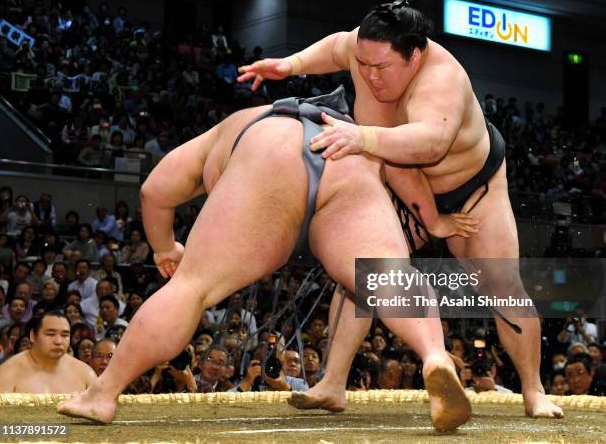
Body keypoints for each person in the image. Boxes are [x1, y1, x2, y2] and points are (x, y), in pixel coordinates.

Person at [58, 88, 473, 430]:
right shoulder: (356, 129)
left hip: (270, 156)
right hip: (350, 161)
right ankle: (433, 353)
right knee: (385, 276)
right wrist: (434, 222)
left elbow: (155, 190)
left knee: (191, 286)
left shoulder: (235, 124)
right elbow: (410, 180)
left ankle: (103, 393)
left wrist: (165, 247)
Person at [237, 0, 562, 418]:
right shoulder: (366, 48)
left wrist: (363, 138)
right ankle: (332, 384)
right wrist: (290, 65)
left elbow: (430, 141)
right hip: (399, 181)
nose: (369, 76)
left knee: (503, 286)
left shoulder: (441, 79)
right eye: (363, 65)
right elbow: (336, 46)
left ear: (415, 56)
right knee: (363, 275)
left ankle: (534, 391)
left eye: (381, 67)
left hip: (470, 191)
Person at [0, 311, 96, 392]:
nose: (58, 341)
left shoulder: (86, 374)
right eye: (50, 334)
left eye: (65, 335)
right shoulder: (7, 373)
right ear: (33, 336)